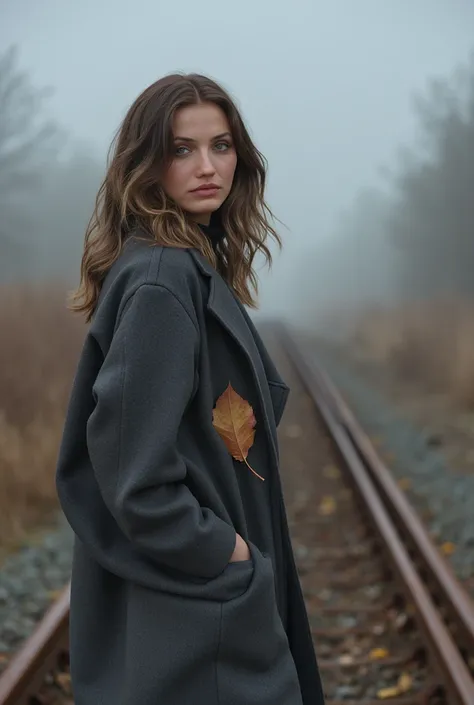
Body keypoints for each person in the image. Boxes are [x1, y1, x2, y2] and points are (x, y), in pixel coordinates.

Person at [55, 73, 325, 705]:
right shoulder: (160, 280)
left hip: (203, 607)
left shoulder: (185, 265)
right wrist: (226, 556)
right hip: (193, 618)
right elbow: (132, 472)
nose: (207, 166)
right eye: (181, 150)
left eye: (222, 146)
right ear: (146, 165)